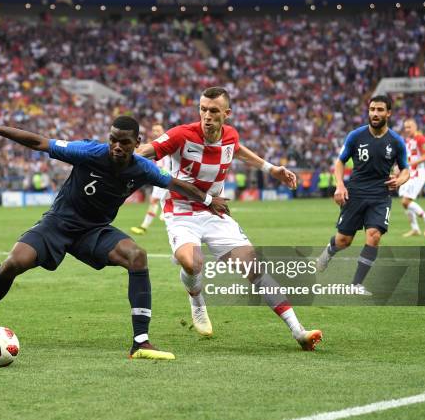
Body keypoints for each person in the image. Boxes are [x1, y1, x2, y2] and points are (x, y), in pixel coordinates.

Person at [0, 100, 229, 360]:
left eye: (125, 142)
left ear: (137, 143)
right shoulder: (89, 151)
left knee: (137, 257)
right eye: (113, 140)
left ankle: (140, 342)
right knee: (12, 263)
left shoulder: (144, 168)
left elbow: (176, 183)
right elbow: (39, 142)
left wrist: (208, 200)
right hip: (57, 224)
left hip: (93, 231)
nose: (117, 147)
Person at [137, 87, 322, 351]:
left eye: (213, 111)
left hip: (215, 212)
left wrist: (272, 169)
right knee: (192, 263)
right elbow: (149, 150)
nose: (207, 116)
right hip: (182, 211)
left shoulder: (231, 135)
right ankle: (197, 300)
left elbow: (238, 149)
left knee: (254, 268)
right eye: (203, 109)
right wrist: (122, 155)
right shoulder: (181, 134)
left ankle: (299, 331)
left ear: (227, 113)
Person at [316, 95, 409, 295]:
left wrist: (400, 180)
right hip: (356, 193)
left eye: (380, 110)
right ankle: (329, 250)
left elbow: (406, 170)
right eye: (372, 109)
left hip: (380, 195)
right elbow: (340, 162)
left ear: (388, 113)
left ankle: (356, 284)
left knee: (374, 236)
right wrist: (340, 186)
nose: (375, 114)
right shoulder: (355, 136)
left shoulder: (396, 141)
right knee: (344, 241)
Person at [131, 124, 171, 235]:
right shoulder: (153, 145)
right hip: (159, 177)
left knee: (156, 201)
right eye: (154, 130)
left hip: (164, 176)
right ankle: (145, 226)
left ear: (163, 131)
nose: (155, 132)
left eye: (158, 130)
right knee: (155, 201)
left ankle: (146, 225)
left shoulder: (169, 143)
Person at [399, 118, 425, 237]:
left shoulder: (421, 138)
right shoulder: (408, 140)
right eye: (406, 127)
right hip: (409, 173)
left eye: (409, 127)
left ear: (415, 127)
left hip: (418, 173)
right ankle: (415, 229)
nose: (407, 129)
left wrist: (411, 164)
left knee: (406, 201)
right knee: (404, 203)